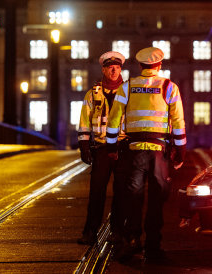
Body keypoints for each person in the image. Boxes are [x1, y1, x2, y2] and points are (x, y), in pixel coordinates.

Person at [106, 47, 187, 262]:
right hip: (159, 153)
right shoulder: (169, 87)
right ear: (159, 66)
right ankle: (153, 246)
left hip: (134, 152)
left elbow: (114, 120)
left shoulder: (128, 87)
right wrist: (181, 150)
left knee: (133, 197)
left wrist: (111, 147)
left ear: (140, 66)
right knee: (157, 200)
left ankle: (133, 240)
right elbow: (178, 122)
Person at [77, 51, 127, 245]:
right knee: (96, 192)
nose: (114, 71)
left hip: (122, 147)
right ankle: (90, 232)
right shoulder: (92, 94)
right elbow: (84, 120)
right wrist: (84, 145)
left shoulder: (127, 92)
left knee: (121, 193)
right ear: (104, 69)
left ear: (121, 69)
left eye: (117, 67)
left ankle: (118, 232)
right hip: (101, 148)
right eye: (110, 67)